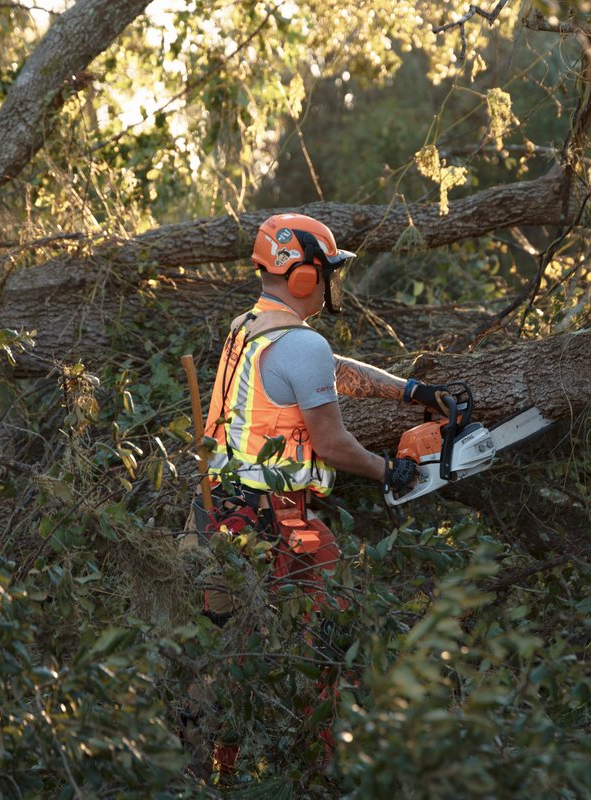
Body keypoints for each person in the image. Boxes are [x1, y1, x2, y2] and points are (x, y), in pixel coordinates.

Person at [187, 212, 451, 773]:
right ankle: (299, 764)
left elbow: (328, 367)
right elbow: (331, 444)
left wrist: (409, 391)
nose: (333, 281)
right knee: (305, 639)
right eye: (327, 270)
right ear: (303, 276)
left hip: (221, 510)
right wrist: (391, 472)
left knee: (243, 649)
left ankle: (251, 766)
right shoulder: (297, 345)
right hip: (268, 523)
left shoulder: (251, 327)